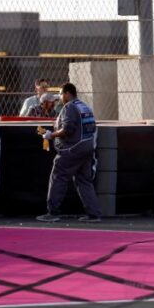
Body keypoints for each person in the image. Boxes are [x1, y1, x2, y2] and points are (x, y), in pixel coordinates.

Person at [36, 82, 102, 223]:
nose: (59, 97)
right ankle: (94, 214)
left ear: (67, 93)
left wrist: (51, 135)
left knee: (58, 176)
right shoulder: (85, 107)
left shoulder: (69, 107)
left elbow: (68, 129)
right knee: (84, 180)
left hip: (72, 149)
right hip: (87, 148)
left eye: (60, 94)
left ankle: (53, 212)